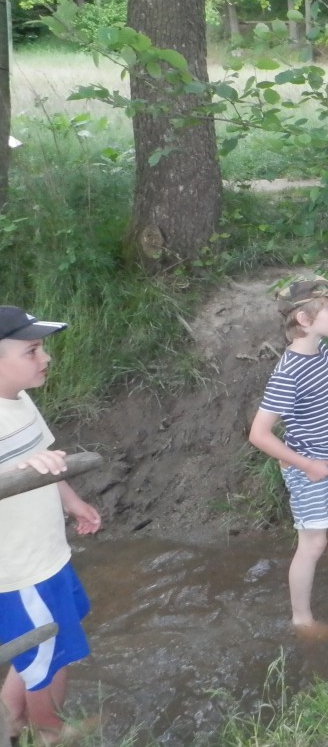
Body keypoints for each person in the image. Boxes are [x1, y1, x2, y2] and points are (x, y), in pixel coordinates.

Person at [248, 276, 328, 635]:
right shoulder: (289, 372)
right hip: (310, 471)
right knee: (313, 543)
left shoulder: (319, 353)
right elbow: (258, 434)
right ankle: (302, 620)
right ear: (304, 320)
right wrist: (305, 464)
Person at [0, 306, 102, 745]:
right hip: (19, 572)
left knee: (40, 646)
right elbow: (24, 467)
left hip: (48, 555)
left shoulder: (19, 399)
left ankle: (10, 718)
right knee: (51, 658)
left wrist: (73, 502)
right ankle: (49, 734)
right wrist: (18, 469)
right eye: (32, 351)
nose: (45, 358)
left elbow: (42, 459)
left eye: (42, 348)